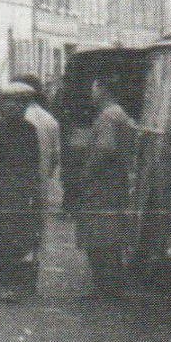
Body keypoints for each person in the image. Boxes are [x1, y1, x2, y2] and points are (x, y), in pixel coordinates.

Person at [75, 77, 136, 298]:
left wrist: (85, 173)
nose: (91, 94)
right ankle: (110, 284)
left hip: (102, 186)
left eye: (94, 88)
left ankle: (106, 286)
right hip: (114, 184)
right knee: (109, 235)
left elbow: (105, 149)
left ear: (103, 90)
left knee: (99, 236)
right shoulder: (119, 114)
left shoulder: (108, 116)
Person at [0, 84, 42, 302]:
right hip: (4, 190)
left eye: (22, 103)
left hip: (23, 191)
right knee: (1, 238)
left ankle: (17, 284)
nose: (17, 107)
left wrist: (35, 192)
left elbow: (34, 164)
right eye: (14, 102)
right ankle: (0, 284)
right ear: (5, 104)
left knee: (21, 238)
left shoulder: (29, 131)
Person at [14, 74, 61, 216]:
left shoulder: (19, 118)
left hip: (19, 179)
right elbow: (55, 156)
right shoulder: (50, 120)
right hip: (42, 179)